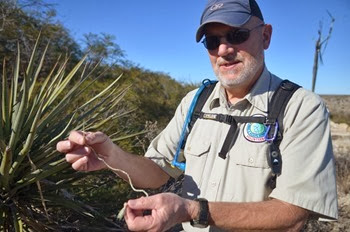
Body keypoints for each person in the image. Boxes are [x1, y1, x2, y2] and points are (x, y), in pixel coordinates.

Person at [56, 0, 338, 231]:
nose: (224, 50)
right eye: (212, 41)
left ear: (265, 36)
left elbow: (293, 213)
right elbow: (160, 173)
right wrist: (111, 157)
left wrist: (191, 210)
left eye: (237, 35)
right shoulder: (195, 101)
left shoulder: (301, 107)